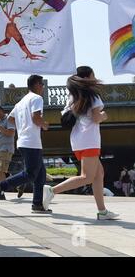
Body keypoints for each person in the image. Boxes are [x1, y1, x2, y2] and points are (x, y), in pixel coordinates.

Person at [42, 66, 119, 220]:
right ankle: (52, 191)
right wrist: (104, 115)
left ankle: (102, 211)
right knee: (87, 177)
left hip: (78, 139)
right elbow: (97, 118)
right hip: (90, 139)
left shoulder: (73, 96)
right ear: (88, 77)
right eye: (93, 74)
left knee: (99, 174)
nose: (95, 77)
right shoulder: (93, 96)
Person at [0, 75, 51, 213]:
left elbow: (11, 119)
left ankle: (37, 204)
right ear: (36, 85)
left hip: (24, 140)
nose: (43, 87)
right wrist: (44, 125)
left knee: (40, 175)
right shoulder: (37, 98)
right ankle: (0, 186)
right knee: (30, 174)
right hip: (31, 142)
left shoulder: (21, 102)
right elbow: (36, 118)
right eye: (42, 84)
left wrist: (23, 126)